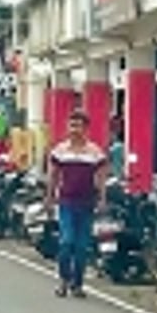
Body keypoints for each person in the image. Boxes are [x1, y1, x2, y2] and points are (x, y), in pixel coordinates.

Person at [46, 108, 108, 298]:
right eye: (72, 125)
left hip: (87, 203)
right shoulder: (60, 151)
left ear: (86, 128)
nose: (75, 129)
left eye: (79, 125)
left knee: (82, 246)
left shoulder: (95, 152)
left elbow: (100, 177)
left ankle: (78, 284)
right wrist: (49, 196)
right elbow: (53, 175)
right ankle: (64, 280)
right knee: (67, 242)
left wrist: (102, 199)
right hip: (66, 202)